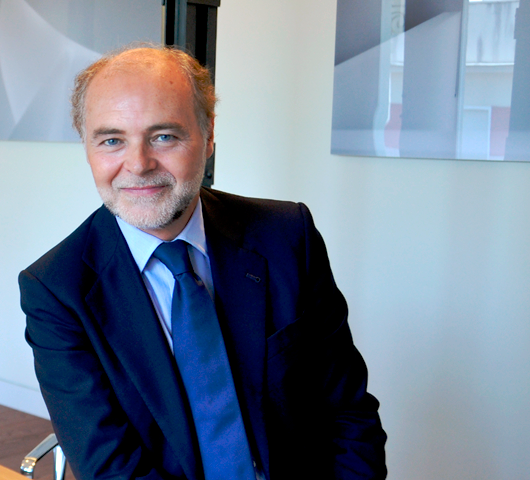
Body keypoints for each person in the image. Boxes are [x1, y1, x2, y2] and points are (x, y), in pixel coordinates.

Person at [19, 45, 387, 480]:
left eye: (164, 136)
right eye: (112, 140)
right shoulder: (57, 289)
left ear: (208, 136)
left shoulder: (288, 236)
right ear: (87, 147)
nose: (138, 164)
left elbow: (347, 414)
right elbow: (111, 469)